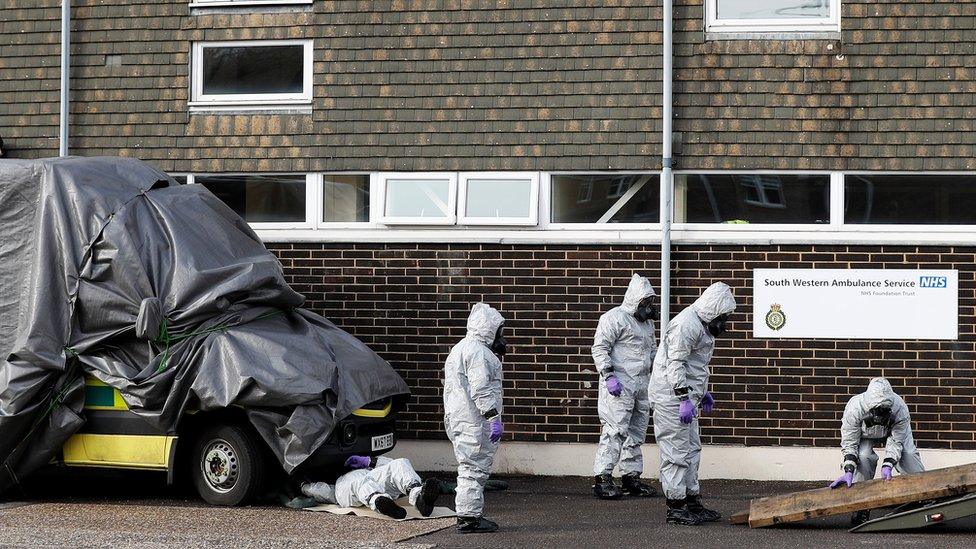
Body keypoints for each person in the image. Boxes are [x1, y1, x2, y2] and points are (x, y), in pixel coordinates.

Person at [650, 281, 736, 526]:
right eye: (724, 317)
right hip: (672, 400)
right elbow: (675, 364)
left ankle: (692, 501)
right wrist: (683, 398)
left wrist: (702, 392)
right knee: (676, 453)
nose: (724, 323)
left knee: (691, 450)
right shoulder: (685, 325)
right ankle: (676, 508)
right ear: (714, 310)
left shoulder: (702, 326)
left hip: (686, 398)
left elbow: (695, 366)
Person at [591, 273, 659, 499]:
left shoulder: (647, 324)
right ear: (635, 300)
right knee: (614, 430)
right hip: (619, 384)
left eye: (651, 303)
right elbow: (600, 348)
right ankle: (603, 477)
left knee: (636, 432)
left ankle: (631, 476)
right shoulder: (614, 318)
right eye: (645, 303)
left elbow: (652, 351)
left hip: (642, 384)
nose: (649, 308)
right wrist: (608, 375)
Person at [443, 302, 507, 534]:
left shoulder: (460, 348)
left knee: (468, 466)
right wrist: (492, 417)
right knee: (473, 468)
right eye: (500, 331)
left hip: (459, 417)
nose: (502, 337)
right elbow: (481, 389)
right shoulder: (479, 353)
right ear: (489, 329)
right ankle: (469, 518)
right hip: (474, 420)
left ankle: (469, 515)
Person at [828, 377, 925, 525]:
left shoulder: (899, 408)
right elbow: (850, 442)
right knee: (864, 456)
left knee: (908, 455)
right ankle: (861, 503)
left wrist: (888, 463)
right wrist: (849, 468)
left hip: (893, 431)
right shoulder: (855, 408)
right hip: (864, 433)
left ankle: (922, 496)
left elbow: (897, 440)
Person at [300, 455, 440, 519]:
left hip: (370, 473)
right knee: (361, 482)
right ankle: (379, 502)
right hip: (343, 485)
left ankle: (419, 497)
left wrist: (370, 461)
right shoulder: (339, 484)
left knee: (400, 463)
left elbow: (390, 466)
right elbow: (320, 490)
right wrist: (303, 486)